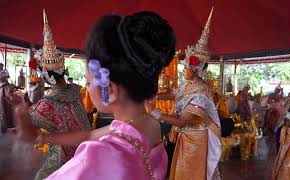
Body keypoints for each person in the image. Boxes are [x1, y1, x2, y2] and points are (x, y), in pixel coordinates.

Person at [13, 11, 176, 180]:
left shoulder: (99, 157)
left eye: (89, 82)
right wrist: (40, 137)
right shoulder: (148, 123)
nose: (87, 88)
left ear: (110, 91)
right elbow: (89, 134)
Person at [13, 10, 92, 180]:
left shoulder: (48, 103)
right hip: (87, 149)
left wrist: (21, 111)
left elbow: (28, 133)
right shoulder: (75, 90)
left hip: (66, 155)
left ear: (46, 76)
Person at [154, 8, 221, 180]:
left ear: (197, 69)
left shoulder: (202, 94)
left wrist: (156, 114)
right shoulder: (188, 84)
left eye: (186, 67)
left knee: (190, 175)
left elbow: (183, 120)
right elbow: (174, 94)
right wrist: (154, 96)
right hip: (186, 136)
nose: (184, 70)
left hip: (197, 140)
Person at [0, 68, 16, 133]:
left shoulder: (5, 71)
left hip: (5, 91)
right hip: (4, 91)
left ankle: (6, 126)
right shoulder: (7, 86)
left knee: (6, 111)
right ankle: (5, 126)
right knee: (4, 111)